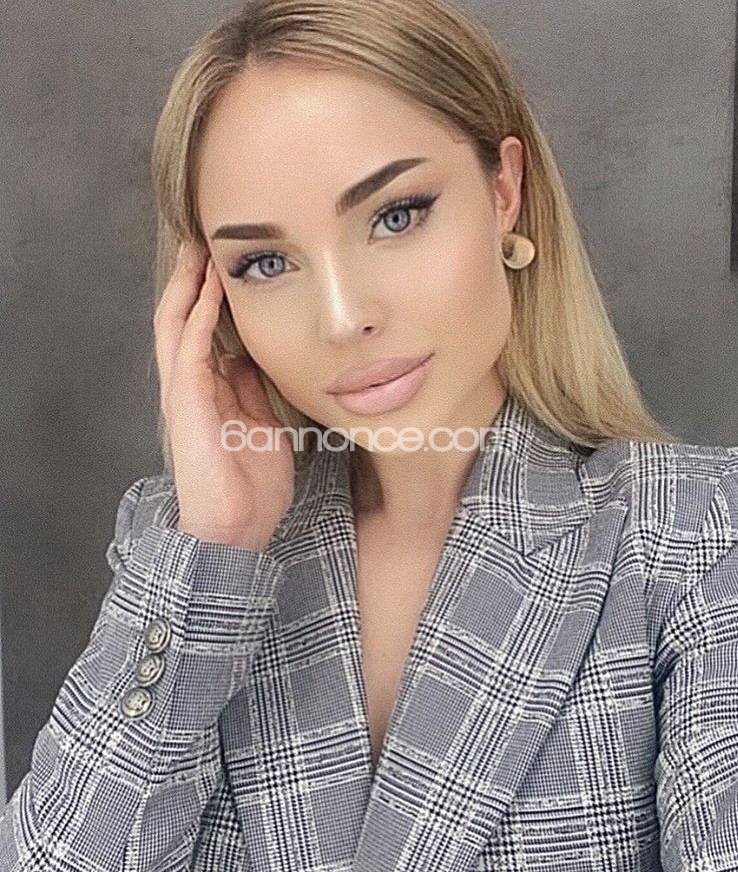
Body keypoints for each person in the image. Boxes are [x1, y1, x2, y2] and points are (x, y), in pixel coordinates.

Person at [1, 0, 736, 869]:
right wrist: (216, 550)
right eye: (265, 262)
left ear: (505, 190)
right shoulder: (191, 558)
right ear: (211, 299)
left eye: (396, 215)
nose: (343, 317)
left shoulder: (694, 533)